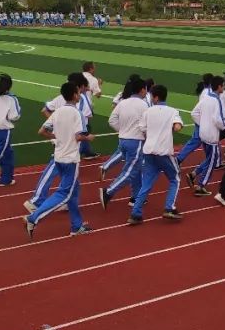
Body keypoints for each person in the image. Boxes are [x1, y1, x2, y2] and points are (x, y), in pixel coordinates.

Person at [24, 81, 94, 239]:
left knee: (74, 192)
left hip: (58, 157)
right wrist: (88, 137)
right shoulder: (77, 113)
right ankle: (33, 218)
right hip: (70, 159)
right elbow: (78, 136)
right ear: (75, 95)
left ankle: (77, 226)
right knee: (64, 194)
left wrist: (57, 136)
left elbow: (42, 131)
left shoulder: (57, 112)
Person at [109, 85, 183, 224]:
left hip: (148, 151)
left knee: (146, 183)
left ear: (155, 97)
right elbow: (177, 127)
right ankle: (169, 207)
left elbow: (142, 129)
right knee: (175, 178)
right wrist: (170, 129)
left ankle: (136, 213)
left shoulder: (148, 112)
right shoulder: (173, 111)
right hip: (164, 151)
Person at [99, 77, 150, 209]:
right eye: (145, 89)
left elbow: (111, 120)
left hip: (123, 140)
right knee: (131, 172)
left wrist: (123, 130)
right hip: (136, 141)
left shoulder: (123, 102)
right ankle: (108, 192)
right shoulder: (144, 105)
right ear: (142, 90)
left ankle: (136, 196)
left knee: (136, 169)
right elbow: (147, 124)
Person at [188, 76, 225, 196]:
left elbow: (194, 113)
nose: (224, 87)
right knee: (213, 161)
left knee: (209, 158)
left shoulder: (205, 97)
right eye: (223, 85)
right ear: (219, 86)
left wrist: (203, 124)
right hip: (211, 136)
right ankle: (201, 186)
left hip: (203, 133)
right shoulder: (217, 100)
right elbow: (218, 120)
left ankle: (194, 174)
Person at [79, 62, 102, 158]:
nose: (95, 69)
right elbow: (98, 95)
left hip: (74, 104)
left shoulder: (78, 76)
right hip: (85, 106)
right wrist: (99, 84)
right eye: (94, 68)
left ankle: (87, 151)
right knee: (84, 129)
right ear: (90, 69)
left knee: (83, 129)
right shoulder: (93, 79)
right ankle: (79, 151)